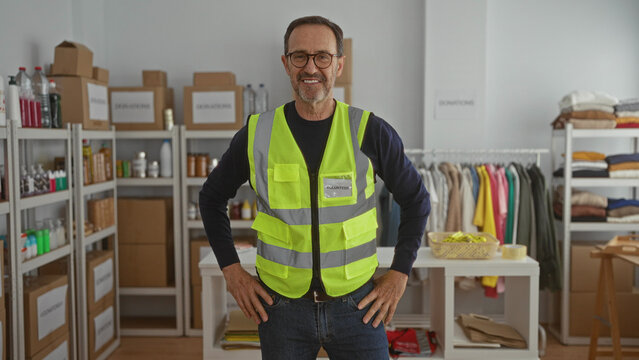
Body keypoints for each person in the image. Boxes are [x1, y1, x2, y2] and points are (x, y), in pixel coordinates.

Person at [199, 15, 430, 360]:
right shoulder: (258, 133)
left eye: (322, 56)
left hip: (358, 307)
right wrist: (232, 272)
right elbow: (211, 198)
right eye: (300, 57)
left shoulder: (370, 130)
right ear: (286, 63)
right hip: (281, 310)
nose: (311, 67)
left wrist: (398, 273)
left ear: (339, 64)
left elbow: (416, 200)